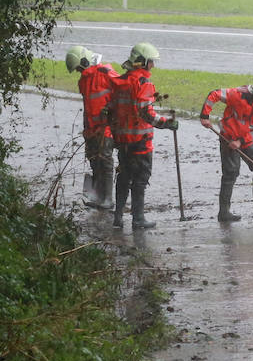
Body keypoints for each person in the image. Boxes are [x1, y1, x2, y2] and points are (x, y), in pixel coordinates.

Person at [108, 42, 176, 230]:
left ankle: (118, 217)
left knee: (123, 177)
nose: (153, 65)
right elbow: (146, 113)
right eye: (151, 62)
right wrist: (166, 123)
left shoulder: (120, 82)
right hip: (140, 143)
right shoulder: (143, 84)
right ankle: (138, 219)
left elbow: (111, 111)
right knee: (140, 180)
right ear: (143, 62)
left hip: (122, 141)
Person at [199, 74, 253, 222]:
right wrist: (205, 115)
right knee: (231, 172)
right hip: (228, 137)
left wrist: (242, 141)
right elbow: (214, 94)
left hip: (246, 139)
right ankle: (224, 212)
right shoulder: (238, 95)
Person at [64, 45, 119, 209]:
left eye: (79, 68)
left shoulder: (105, 72)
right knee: (94, 161)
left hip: (106, 126)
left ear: (84, 61)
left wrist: (110, 110)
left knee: (106, 161)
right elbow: (87, 106)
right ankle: (99, 196)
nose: (79, 71)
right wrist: (86, 130)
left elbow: (122, 93)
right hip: (91, 129)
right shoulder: (83, 81)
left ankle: (108, 199)